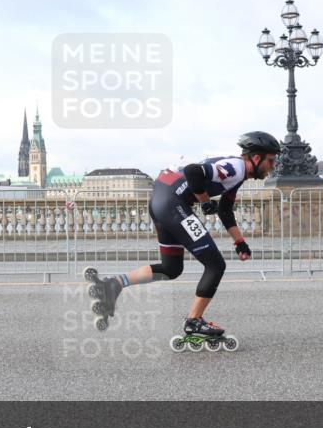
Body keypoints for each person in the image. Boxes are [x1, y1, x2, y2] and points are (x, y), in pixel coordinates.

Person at [87, 131, 282, 338]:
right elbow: (192, 172)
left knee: (171, 268)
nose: (273, 166)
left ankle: (113, 284)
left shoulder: (238, 175)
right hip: (173, 204)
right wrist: (205, 201)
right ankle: (194, 321)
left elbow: (225, 210)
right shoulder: (236, 167)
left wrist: (239, 241)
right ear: (256, 158)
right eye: (271, 160)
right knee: (215, 265)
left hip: (162, 201)